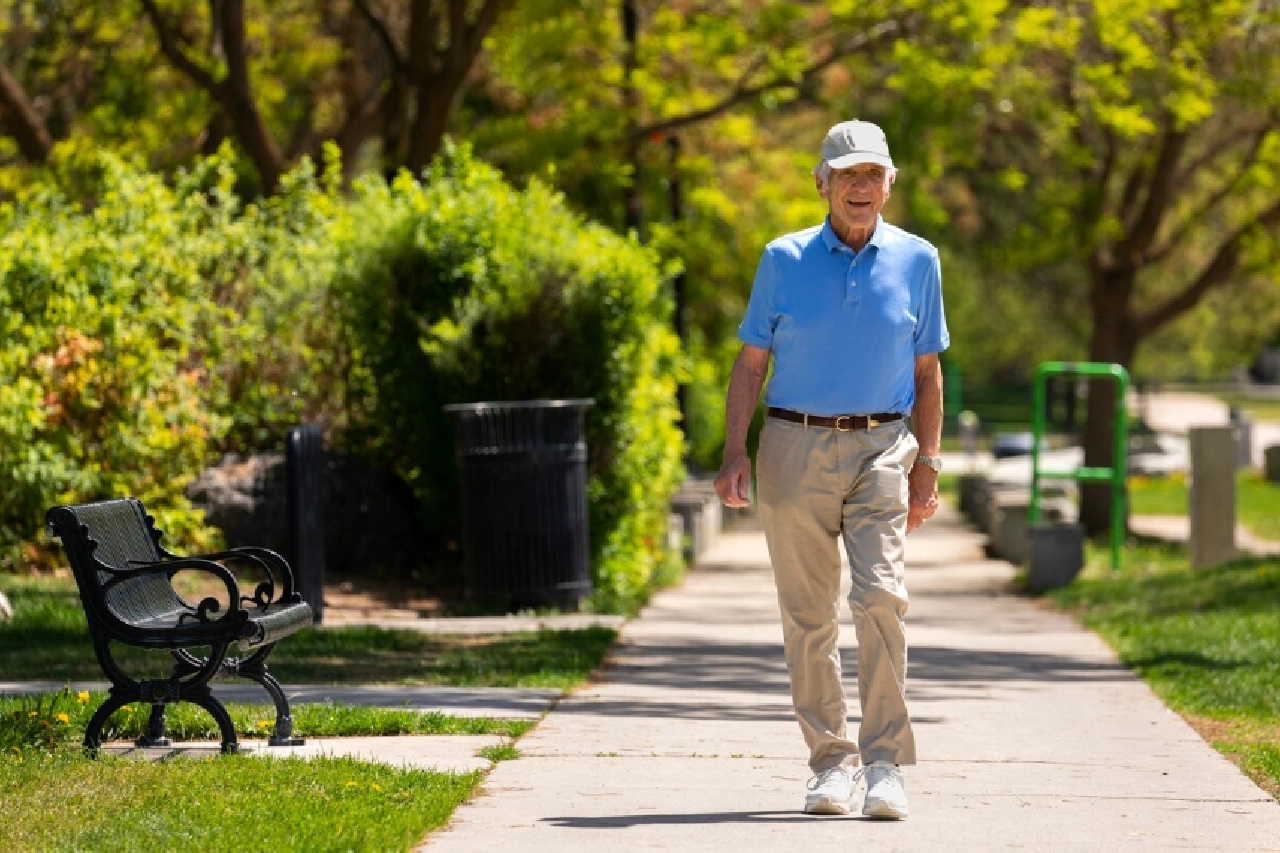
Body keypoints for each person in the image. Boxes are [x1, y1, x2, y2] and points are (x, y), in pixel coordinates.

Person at [714, 119, 948, 820]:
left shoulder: (919, 259)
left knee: (881, 597)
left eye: (872, 174)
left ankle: (883, 764)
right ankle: (830, 763)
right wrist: (733, 451)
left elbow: (928, 370)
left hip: (883, 445)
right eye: (847, 174)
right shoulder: (782, 259)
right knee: (808, 614)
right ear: (820, 183)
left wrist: (929, 463)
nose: (860, 186)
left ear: (889, 185)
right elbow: (751, 364)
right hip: (793, 445)